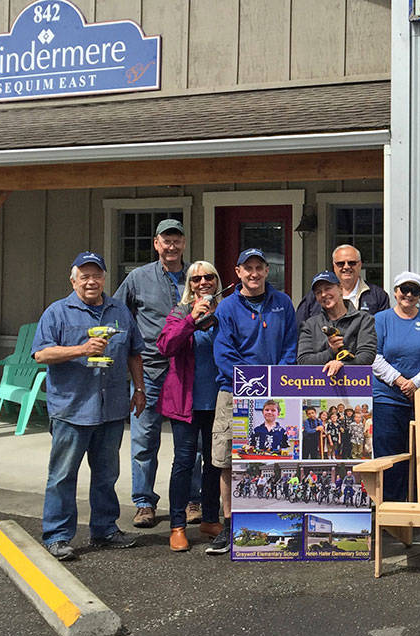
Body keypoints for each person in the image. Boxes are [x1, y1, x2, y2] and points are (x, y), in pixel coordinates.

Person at [32, 251, 146, 561]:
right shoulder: (57, 312)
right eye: (85, 276)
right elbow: (41, 355)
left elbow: (135, 353)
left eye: (96, 275)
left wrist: (139, 389)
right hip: (72, 409)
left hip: (111, 409)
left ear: (105, 278)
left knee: (107, 474)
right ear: (73, 281)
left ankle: (104, 530)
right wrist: (81, 349)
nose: (91, 281)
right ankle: (57, 535)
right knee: (62, 476)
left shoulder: (120, 312)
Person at [210, 247, 298, 555]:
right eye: (248, 268)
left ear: (266, 271)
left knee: (272, 458)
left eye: (260, 267)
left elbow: (290, 345)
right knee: (229, 461)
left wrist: (277, 379)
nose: (254, 274)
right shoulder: (226, 308)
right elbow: (224, 354)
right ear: (237, 272)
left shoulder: (282, 303)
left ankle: (267, 518)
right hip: (233, 390)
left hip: (275, 391)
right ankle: (229, 523)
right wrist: (252, 382)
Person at [112, 218, 188, 529]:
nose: (171, 246)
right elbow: (118, 312)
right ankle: (144, 502)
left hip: (186, 372)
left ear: (183, 243)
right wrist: (128, 350)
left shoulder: (196, 276)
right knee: (144, 439)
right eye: (165, 241)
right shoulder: (137, 278)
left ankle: (192, 500)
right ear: (156, 244)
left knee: (189, 443)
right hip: (151, 371)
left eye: (176, 240)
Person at [156, 260, 225, 553]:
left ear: (217, 280)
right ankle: (177, 525)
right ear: (189, 284)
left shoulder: (225, 312)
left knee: (214, 463)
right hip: (185, 401)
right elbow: (165, 346)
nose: (203, 283)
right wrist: (191, 319)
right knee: (184, 462)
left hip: (218, 399)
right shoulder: (180, 312)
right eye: (196, 279)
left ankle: (210, 519)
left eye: (209, 277)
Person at [371, 271, 420, 500]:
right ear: (395, 291)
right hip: (387, 398)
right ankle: (391, 508)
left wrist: (415, 383)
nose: (408, 295)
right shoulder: (381, 319)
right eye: (404, 289)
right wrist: (400, 381)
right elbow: (374, 356)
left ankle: (419, 507)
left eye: (414, 291)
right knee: (390, 457)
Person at [296, 268, 378, 378]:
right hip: (317, 388)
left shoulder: (363, 320)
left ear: (340, 289)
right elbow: (303, 361)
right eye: (318, 292)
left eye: (328, 288)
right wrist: (331, 351)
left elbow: (367, 356)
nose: (324, 294)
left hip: (355, 387)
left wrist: (342, 365)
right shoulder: (310, 325)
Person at [297, 244, 390, 323]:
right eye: (341, 263)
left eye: (352, 263)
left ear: (360, 264)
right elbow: (300, 328)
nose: (346, 267)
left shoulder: (378, 296)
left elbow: (384, 329)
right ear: (334, 266)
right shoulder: (315, 297)